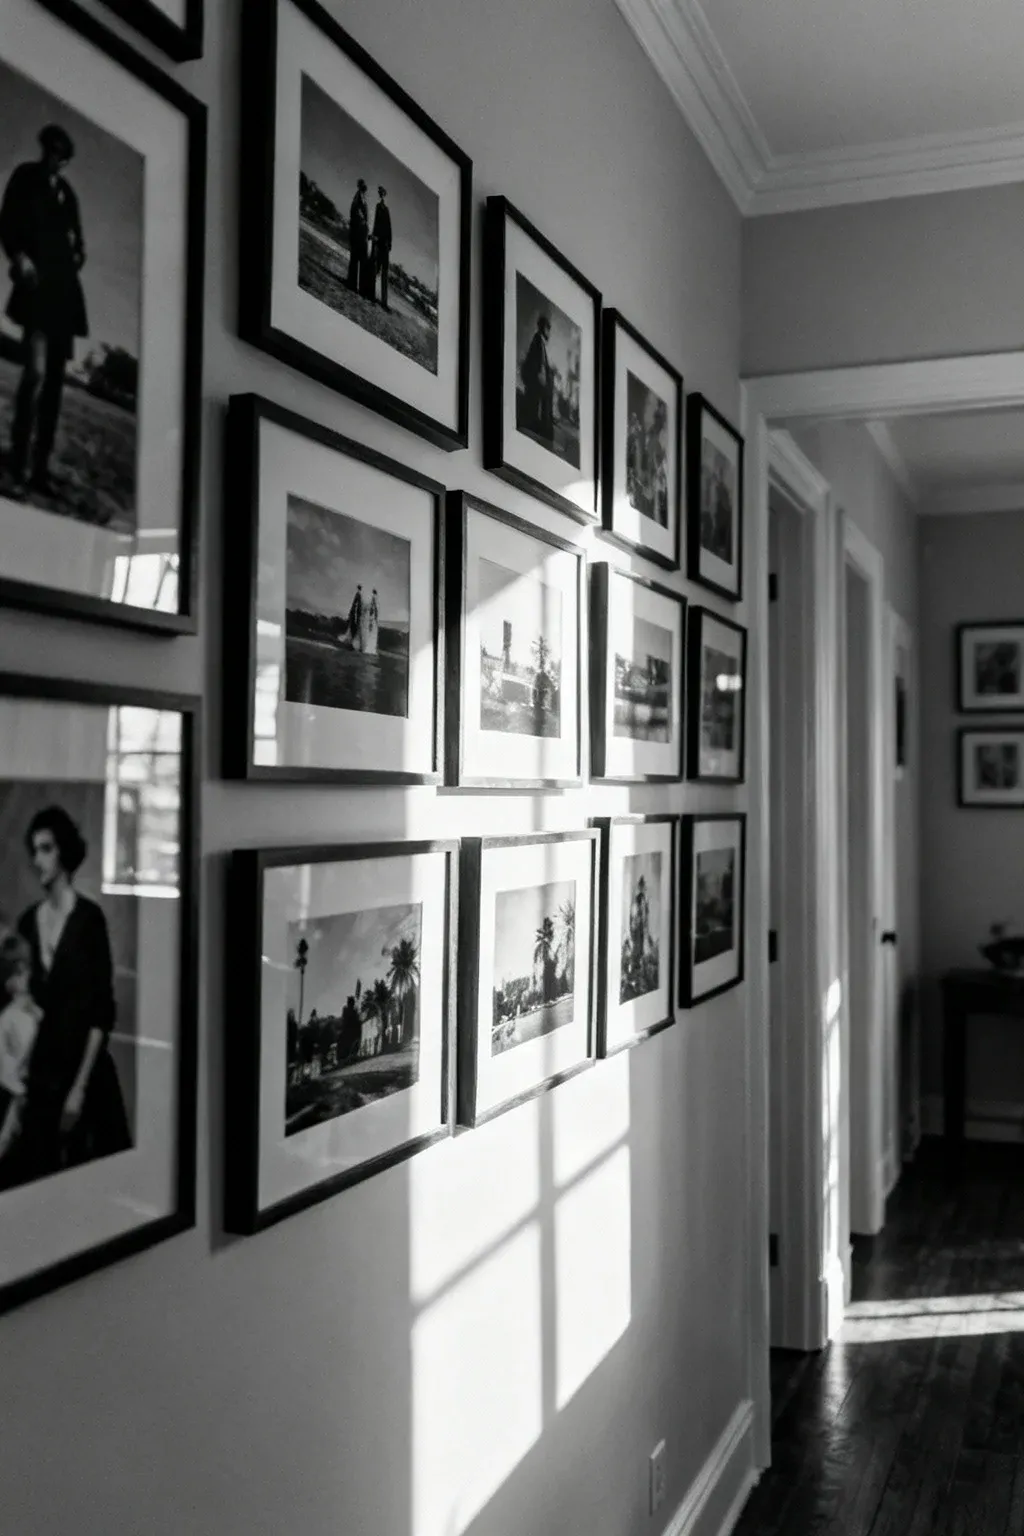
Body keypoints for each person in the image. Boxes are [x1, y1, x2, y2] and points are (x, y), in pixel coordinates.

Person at [14, 805, 131, 1182]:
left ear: (64, 851)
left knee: (95, 1180)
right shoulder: (28, 923)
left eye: (46, 848)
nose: (37, 860)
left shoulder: (89, 921)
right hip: (42, 1075)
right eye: (34, 850)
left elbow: (101, 1011)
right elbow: (21, 1001)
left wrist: (79, 1089)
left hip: (86, 1074)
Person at [0, 124, 89, 498]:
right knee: (34, 374)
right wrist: (19, 256)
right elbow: (7, 223)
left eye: (64, 156)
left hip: (64, 295)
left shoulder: (68, 194)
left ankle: (39, 469)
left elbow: (80, 244)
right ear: (45, 150)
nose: (58, 161)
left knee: (54, 385)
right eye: (54, 152)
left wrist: (76, 254)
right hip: (36, 292)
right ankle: (18, 462)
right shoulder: (26, 177)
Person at [0, 932, 42, 1178]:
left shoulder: (30, 1012)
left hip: (23, 1090)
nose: (27, 976)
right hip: (15, 1091)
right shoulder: (10, 1018)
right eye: (20, 973)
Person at [520, 313, 555, 444]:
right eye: (548, 328)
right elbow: (538, 364)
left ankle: (541, 427)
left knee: (537, 404)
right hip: (534, 380)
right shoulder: (538, 340)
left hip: (536, 379)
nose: (549, 332)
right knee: (538, 402)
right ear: (544, 327)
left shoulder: (539, 340)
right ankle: (541, 428)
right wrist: (542, 378)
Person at [346, 178, 370, 296]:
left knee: (357, 259)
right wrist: (363, 223)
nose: (364, 188)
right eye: (362, 186)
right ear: (360, 186)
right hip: (358, 232)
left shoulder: (361, 198)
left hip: (360, 232)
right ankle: (354, 285)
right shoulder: (358, 198)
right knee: (358, 259)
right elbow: (357, 214)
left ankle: (354, 285)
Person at [372, 186, 392, 311]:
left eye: (383, 194)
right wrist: (375, 239)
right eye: (381, 194)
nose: (382, 196)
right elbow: (376, 225)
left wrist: (390, 244)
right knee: (375, 271)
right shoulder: (378, 207)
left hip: (385, 247)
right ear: (380, 195)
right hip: (379, 245)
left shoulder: (387, 209)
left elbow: (389, 229)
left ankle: (384, 303)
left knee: (385, 274)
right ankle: (372, 295)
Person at [347, 583, 364, 651]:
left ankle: (351, 644)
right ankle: (353, 644)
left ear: (358, 588)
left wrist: (351, 613)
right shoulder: (360, 595)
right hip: (357, 615)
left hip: (355, 614)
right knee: (355, 630)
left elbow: (354, 604)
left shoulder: (358, 595)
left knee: (353, 629)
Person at [364, 587, 379, 656]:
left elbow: (373, 607)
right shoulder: (375, 598)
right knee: (372, 630)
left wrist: (371, 615)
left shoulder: (373, 598)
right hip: (373, 617)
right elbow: (374, 608)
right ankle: (370, 647)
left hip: (372, 617)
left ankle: (369, 647)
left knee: (371, 630)